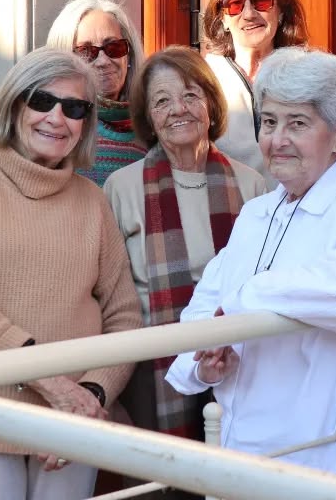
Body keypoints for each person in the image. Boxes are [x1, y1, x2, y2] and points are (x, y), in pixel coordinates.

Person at [165, 48, 336, 484]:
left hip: (330, 456)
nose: (277, 140)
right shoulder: (256, 213)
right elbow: (205, 309)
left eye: (297, 123)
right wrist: (204, 363)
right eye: (269, 122)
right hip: (244, 453)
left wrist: (248, 299)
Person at [0, 47, 143, 500]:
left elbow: (125, 317)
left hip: (67, 426)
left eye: (74, 108)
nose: (57, 117)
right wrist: (54, 388)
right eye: (42, 100)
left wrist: (91, 396)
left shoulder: (91, 201)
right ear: (14, 104)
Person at [102, 47, 266, 457]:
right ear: (149, 119)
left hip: (237, 358)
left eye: (191, 95)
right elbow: (110, 292)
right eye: (162, 101)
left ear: (211, 105)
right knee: (162, 477)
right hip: (152, 366)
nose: (178, 109)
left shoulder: (252, 185)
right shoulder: (122, 187)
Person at [0, 0, 147, 186]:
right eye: (86, 51)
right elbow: (1, 166)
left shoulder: (151, 126)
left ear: (129, 55)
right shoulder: (45, 124)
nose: (103, 61)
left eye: (113, 47)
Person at [201, 0, 308, 184]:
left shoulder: (307, 76)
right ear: (223, 18)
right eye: (235, 4)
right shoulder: (203, 81)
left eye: (262, 0)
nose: (249, 14)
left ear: (281, 10)